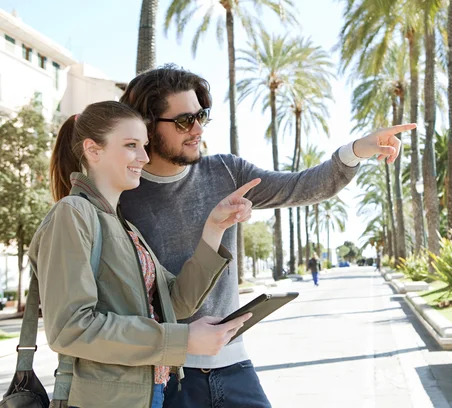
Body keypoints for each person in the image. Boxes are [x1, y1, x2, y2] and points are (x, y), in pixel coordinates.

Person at [118, 64, 416, 408]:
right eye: (185, 121)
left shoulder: (226, 171)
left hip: (233, 365)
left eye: (202, 115)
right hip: (164, 379)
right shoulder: (125, 194)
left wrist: (356, 150)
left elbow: (300, 186)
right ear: (149, 127)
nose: (198, 128)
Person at [27, 101, 257, 408]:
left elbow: (173, 303)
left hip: (149, 395)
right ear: (93, 150)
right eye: (131, 145)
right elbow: (70, 328)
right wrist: (182, 339)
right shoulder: (73, 214)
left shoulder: (124, 227)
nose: (145, 158)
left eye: (145, 146)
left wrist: (214, 230)